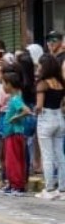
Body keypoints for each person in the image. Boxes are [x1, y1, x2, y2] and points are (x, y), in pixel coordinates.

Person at [0, 69, 33, 195]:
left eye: (4, 84)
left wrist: (15, 118)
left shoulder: (15, 99)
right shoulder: (15, 97)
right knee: (12, 160)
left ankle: (17, 185)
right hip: (11, 133)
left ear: (10, 84)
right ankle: (13, 184)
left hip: (14, 133)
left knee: (14, 160)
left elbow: (27, 110)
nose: (3, 87)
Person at [35, 53, 65, 199]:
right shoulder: (61, 83)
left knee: (47, 156)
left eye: (40, 65)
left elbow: (39, 106)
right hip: (59, 117)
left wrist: (33, 110)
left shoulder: (43, 83)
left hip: (46, 118)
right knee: (60, 155)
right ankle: (63, 188)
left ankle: (49, 188)